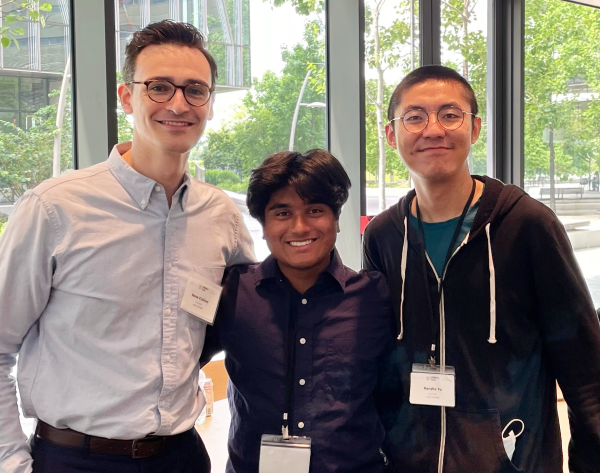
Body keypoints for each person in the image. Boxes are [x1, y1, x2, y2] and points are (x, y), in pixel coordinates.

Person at [0, 20, 255, 473]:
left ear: (209, 104)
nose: (179, 103)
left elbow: (239, 323)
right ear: (126, 96)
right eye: (159, 87)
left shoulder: (222, 218)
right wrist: (13, 462)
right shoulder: (54, 209)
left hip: (181, 457)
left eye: (195, 90)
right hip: (73, 459)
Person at [362, 65, 600, 472]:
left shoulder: (526, 225)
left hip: (510, 459)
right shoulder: (384, 236)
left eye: (450, 114)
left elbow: (586, 372)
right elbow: (377, 360)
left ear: (473, 129)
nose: (433, 129)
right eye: (414, 116)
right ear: (391, 134)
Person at [202, 150, 396, 473]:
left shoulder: (374, 297)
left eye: (315, 210)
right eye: (282, 213)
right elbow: (179, 359)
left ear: (336, 220)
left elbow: (397, 398)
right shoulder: (233, 292)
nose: (300, 227)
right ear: (263, 225)